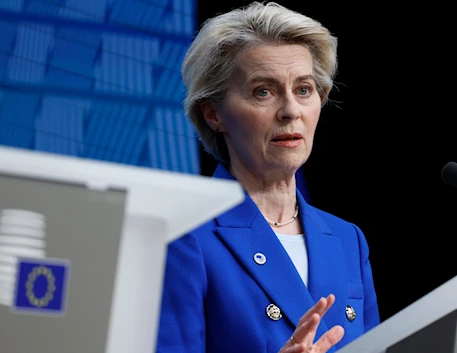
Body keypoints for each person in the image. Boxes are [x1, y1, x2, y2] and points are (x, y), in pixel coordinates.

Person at [156, 2, 380, 352]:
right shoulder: (185, 235)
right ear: (214, 113)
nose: (291, 110)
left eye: (304, 90)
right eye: (264, 91)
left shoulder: (347, 239)